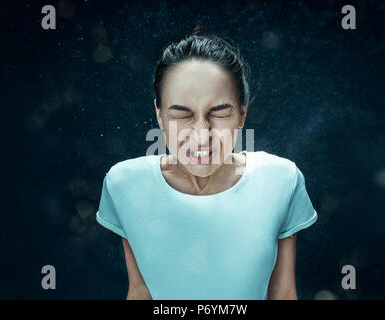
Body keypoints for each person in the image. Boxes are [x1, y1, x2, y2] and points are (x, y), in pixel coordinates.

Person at [96, 24, 318, 300]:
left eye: (220, 113)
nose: (202, 136)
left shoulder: (280, 180)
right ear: (159, 115)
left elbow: (283, 294)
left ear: (242, 115)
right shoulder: (125, 184)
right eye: (182, 114)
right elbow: (140, 292)